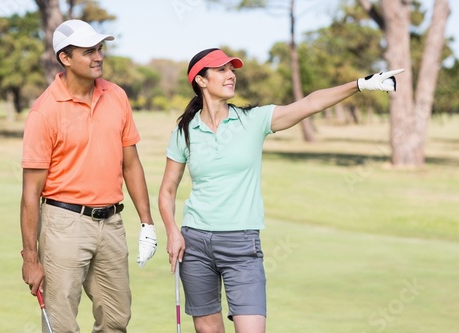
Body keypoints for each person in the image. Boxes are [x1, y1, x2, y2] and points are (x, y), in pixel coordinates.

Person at [158, 48, 404, 333]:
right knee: (207, 331)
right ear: (200, 80)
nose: (231, 75)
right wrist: (172, 232)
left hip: (241, 245)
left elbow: (309, 104)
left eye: (232, 69)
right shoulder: (185, 131)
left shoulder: (254, 121)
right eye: (221, 70)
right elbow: (167, 191)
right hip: (195, 244)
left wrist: (360, 84)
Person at [20, 19, 157, 333]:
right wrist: (30, 256)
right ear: (65, 59)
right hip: (63, 225)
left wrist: (147, 222)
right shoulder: (45, 111)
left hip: (111, 224)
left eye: (100, 48)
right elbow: (31, 192)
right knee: (62, 324)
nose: (98, 57)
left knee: (116, 319)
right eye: (88, 51)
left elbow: (131, 165)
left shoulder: (117, 96)